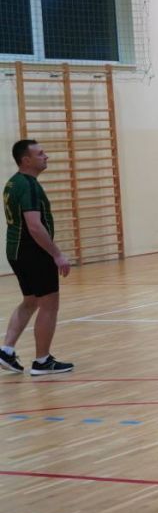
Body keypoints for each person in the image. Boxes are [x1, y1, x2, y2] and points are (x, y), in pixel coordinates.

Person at [2, 139, 73, 376]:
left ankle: (6, 350)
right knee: (49, 304)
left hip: (16, 251)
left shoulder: (13, 183)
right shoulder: (29, 186)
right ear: (26, 160)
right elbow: (34, 225)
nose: (46, 156)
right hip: (33, 252)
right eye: (40, 153)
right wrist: (57, 254)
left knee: (30, 301)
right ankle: (42, 361)